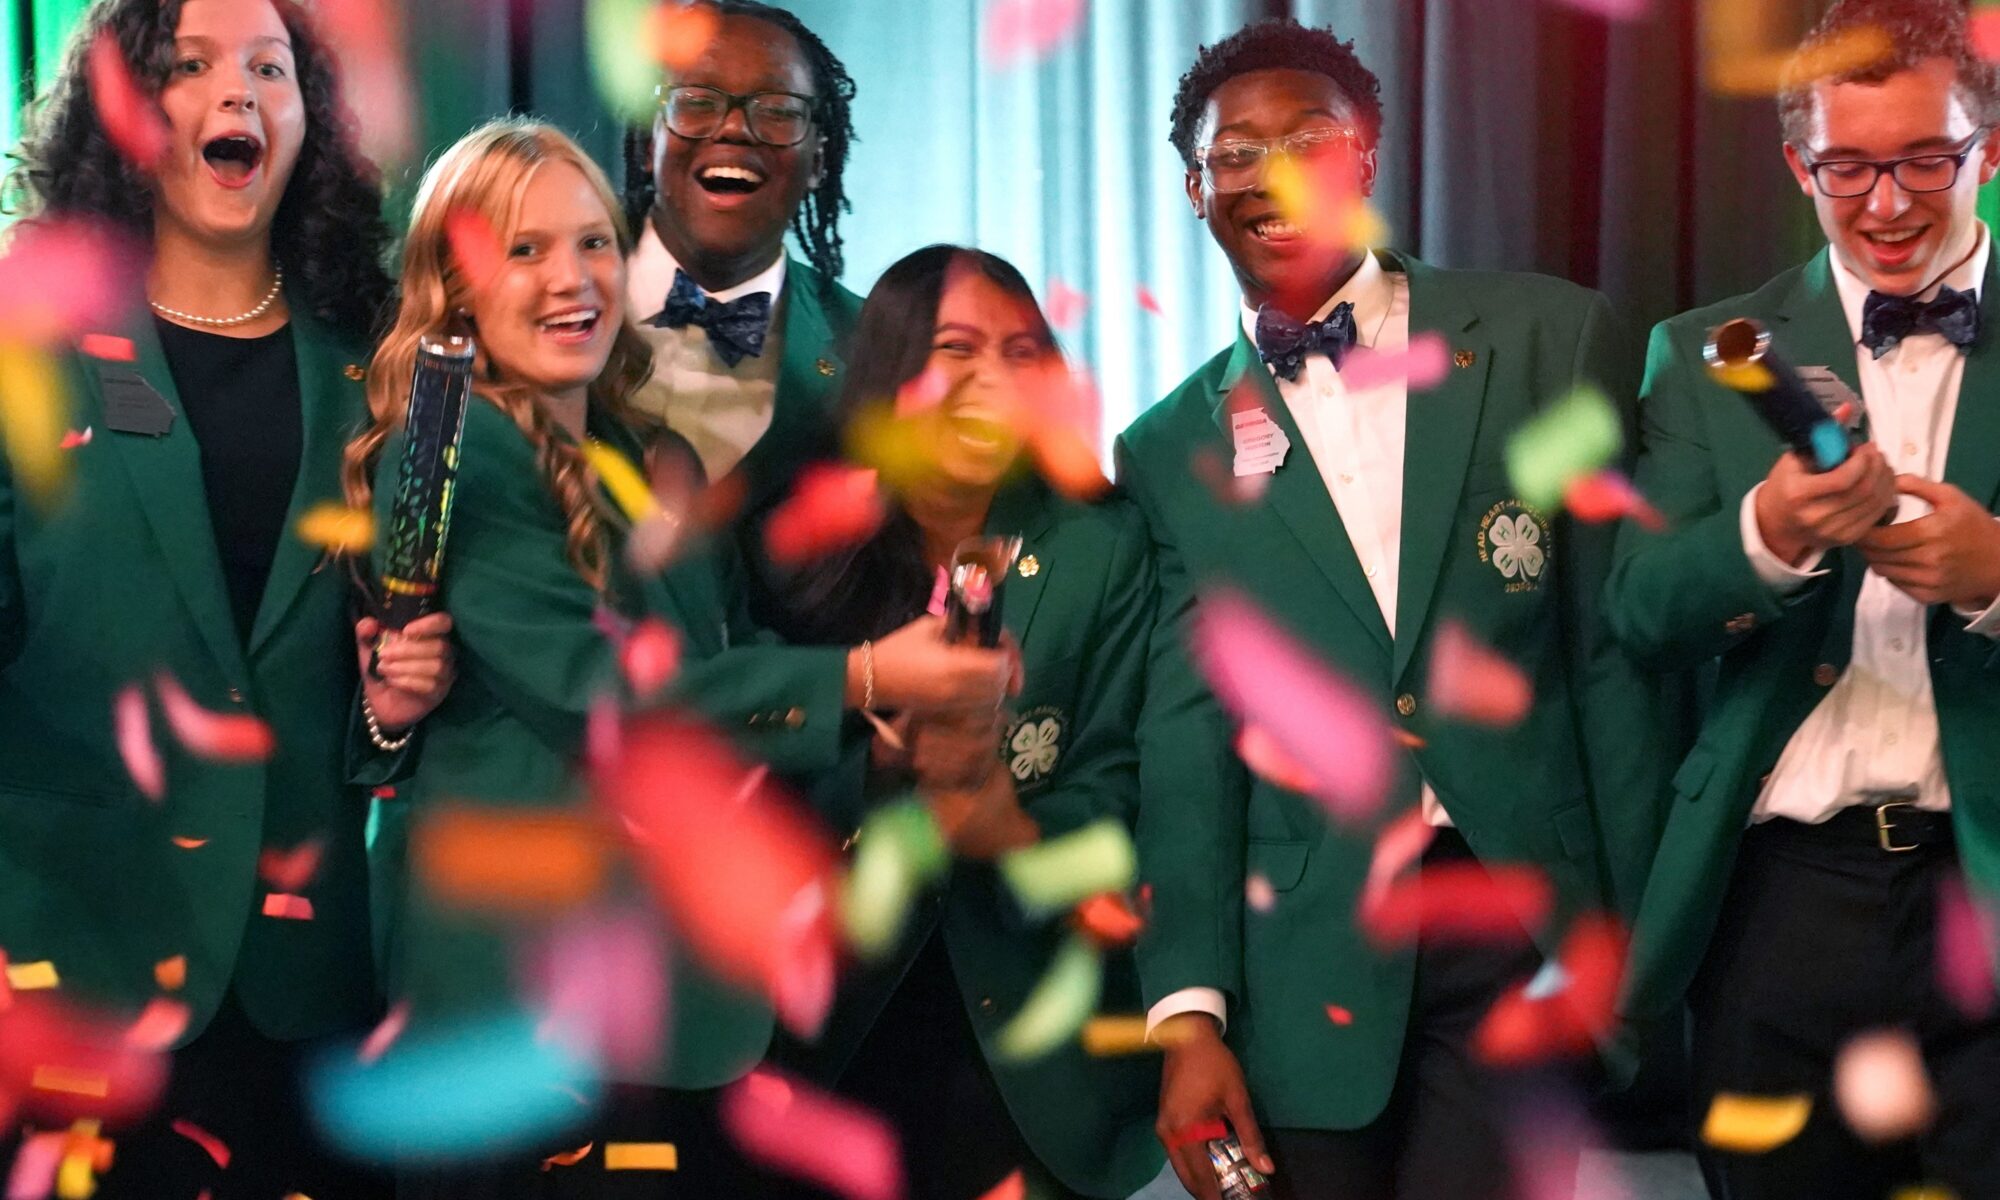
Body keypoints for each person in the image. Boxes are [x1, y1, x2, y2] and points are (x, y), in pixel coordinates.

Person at [341, 119, 1017, 1195]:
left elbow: (722, 651)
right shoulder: (454, 458)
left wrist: (880, 733)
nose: (573, 279)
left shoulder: (646, 455)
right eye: (523, 251)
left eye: (593, 243)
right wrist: (865, 678)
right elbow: (604, 700)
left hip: (672, 1000)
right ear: (454, 284)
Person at [1114, 19, 1671, 1200]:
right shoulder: (1166, 448)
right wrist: (1186, 1013)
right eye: (1232, 155)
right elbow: (1184, 742)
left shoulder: (1546, 339)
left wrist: (1643, 943)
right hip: (1298, 962)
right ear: (1193, 189)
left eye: (1306, 139)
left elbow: (1614, 662)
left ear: (1364, 158)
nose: (1268, 176)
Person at [0, 0, 450, 1195]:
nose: (235, 92)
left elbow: (383, 698)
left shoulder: (379, 364)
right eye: (186, 66)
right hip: (73, 959)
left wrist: (397, 710)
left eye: (271, 67)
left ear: (310, 117)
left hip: (314, 980)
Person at [1605, 1, 2000, 1195]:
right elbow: (1638, 613)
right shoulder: (1702, 349)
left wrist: (1996, 579)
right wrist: (1764, 537)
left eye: (1925, 159)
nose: (1885, 202)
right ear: (1796, 164)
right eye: (1846, 166)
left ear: (1986, 147)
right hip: (1776, 905)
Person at [754, 245, 1169, 1200]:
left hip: (1038, 1046)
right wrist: (879, 779)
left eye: (1023, 352)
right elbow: (736, 760)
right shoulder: (801, 540)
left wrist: (1007, 824)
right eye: (956, 349)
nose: (991, 379)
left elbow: (1133, 786)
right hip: (830, 1042)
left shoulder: (1102, 546)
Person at [619, 0, 861, 538]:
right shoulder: (549, 306)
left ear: (818, 160)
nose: (733, 129)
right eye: (697, 102)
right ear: (647, 142)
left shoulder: (871, 344)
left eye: (777, 110)